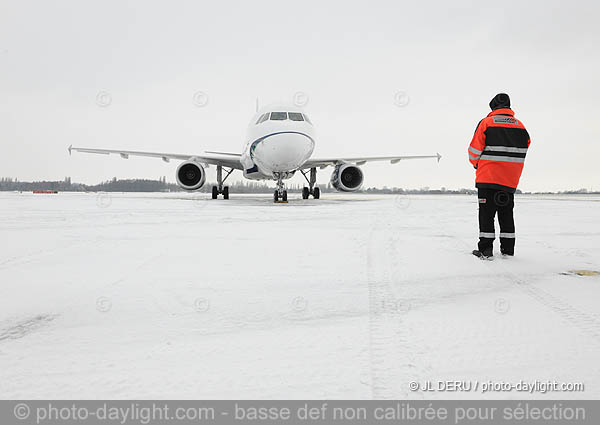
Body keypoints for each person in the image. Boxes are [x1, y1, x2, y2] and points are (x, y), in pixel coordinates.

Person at [468, 93, 531, 258]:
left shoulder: (487, 122)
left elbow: (474, 150)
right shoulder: (521, 126)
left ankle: (485, 250)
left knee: (486, 215)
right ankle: (508, 251)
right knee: (506, 215)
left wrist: (477, 164)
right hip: (509, 181)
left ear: (493, 107)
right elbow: (527, 144)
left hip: (487, 179)